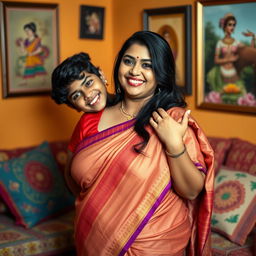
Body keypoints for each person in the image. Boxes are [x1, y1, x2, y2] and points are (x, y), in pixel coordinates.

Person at [69, 31, 215, 256]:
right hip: (91, 240)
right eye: (128, 61)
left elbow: (192, 191)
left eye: (147, 65)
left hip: (151, 245)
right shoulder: (92, 118)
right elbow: (74, 177)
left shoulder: (171, 120)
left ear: (161, 73)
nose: (135, 71)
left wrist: (174, 145)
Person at [51, 52, 111, 195]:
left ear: (101, 75)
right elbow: (69, 173)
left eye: (88, 83)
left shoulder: (130, 104)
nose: (87, 95)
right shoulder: (85, 125)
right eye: (76, 95)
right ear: (74, 106)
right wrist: (84, 201)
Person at [207, 13, 256, 96]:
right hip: (221, 73)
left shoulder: (236, 42)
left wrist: (253, 37)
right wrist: (230, 59)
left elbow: (249, 51)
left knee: (239, 95)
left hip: (234, 73)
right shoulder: (220, 43)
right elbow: (216, 60)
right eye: (230, 25)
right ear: (224, 26)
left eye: (233, 25)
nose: (232, 27)